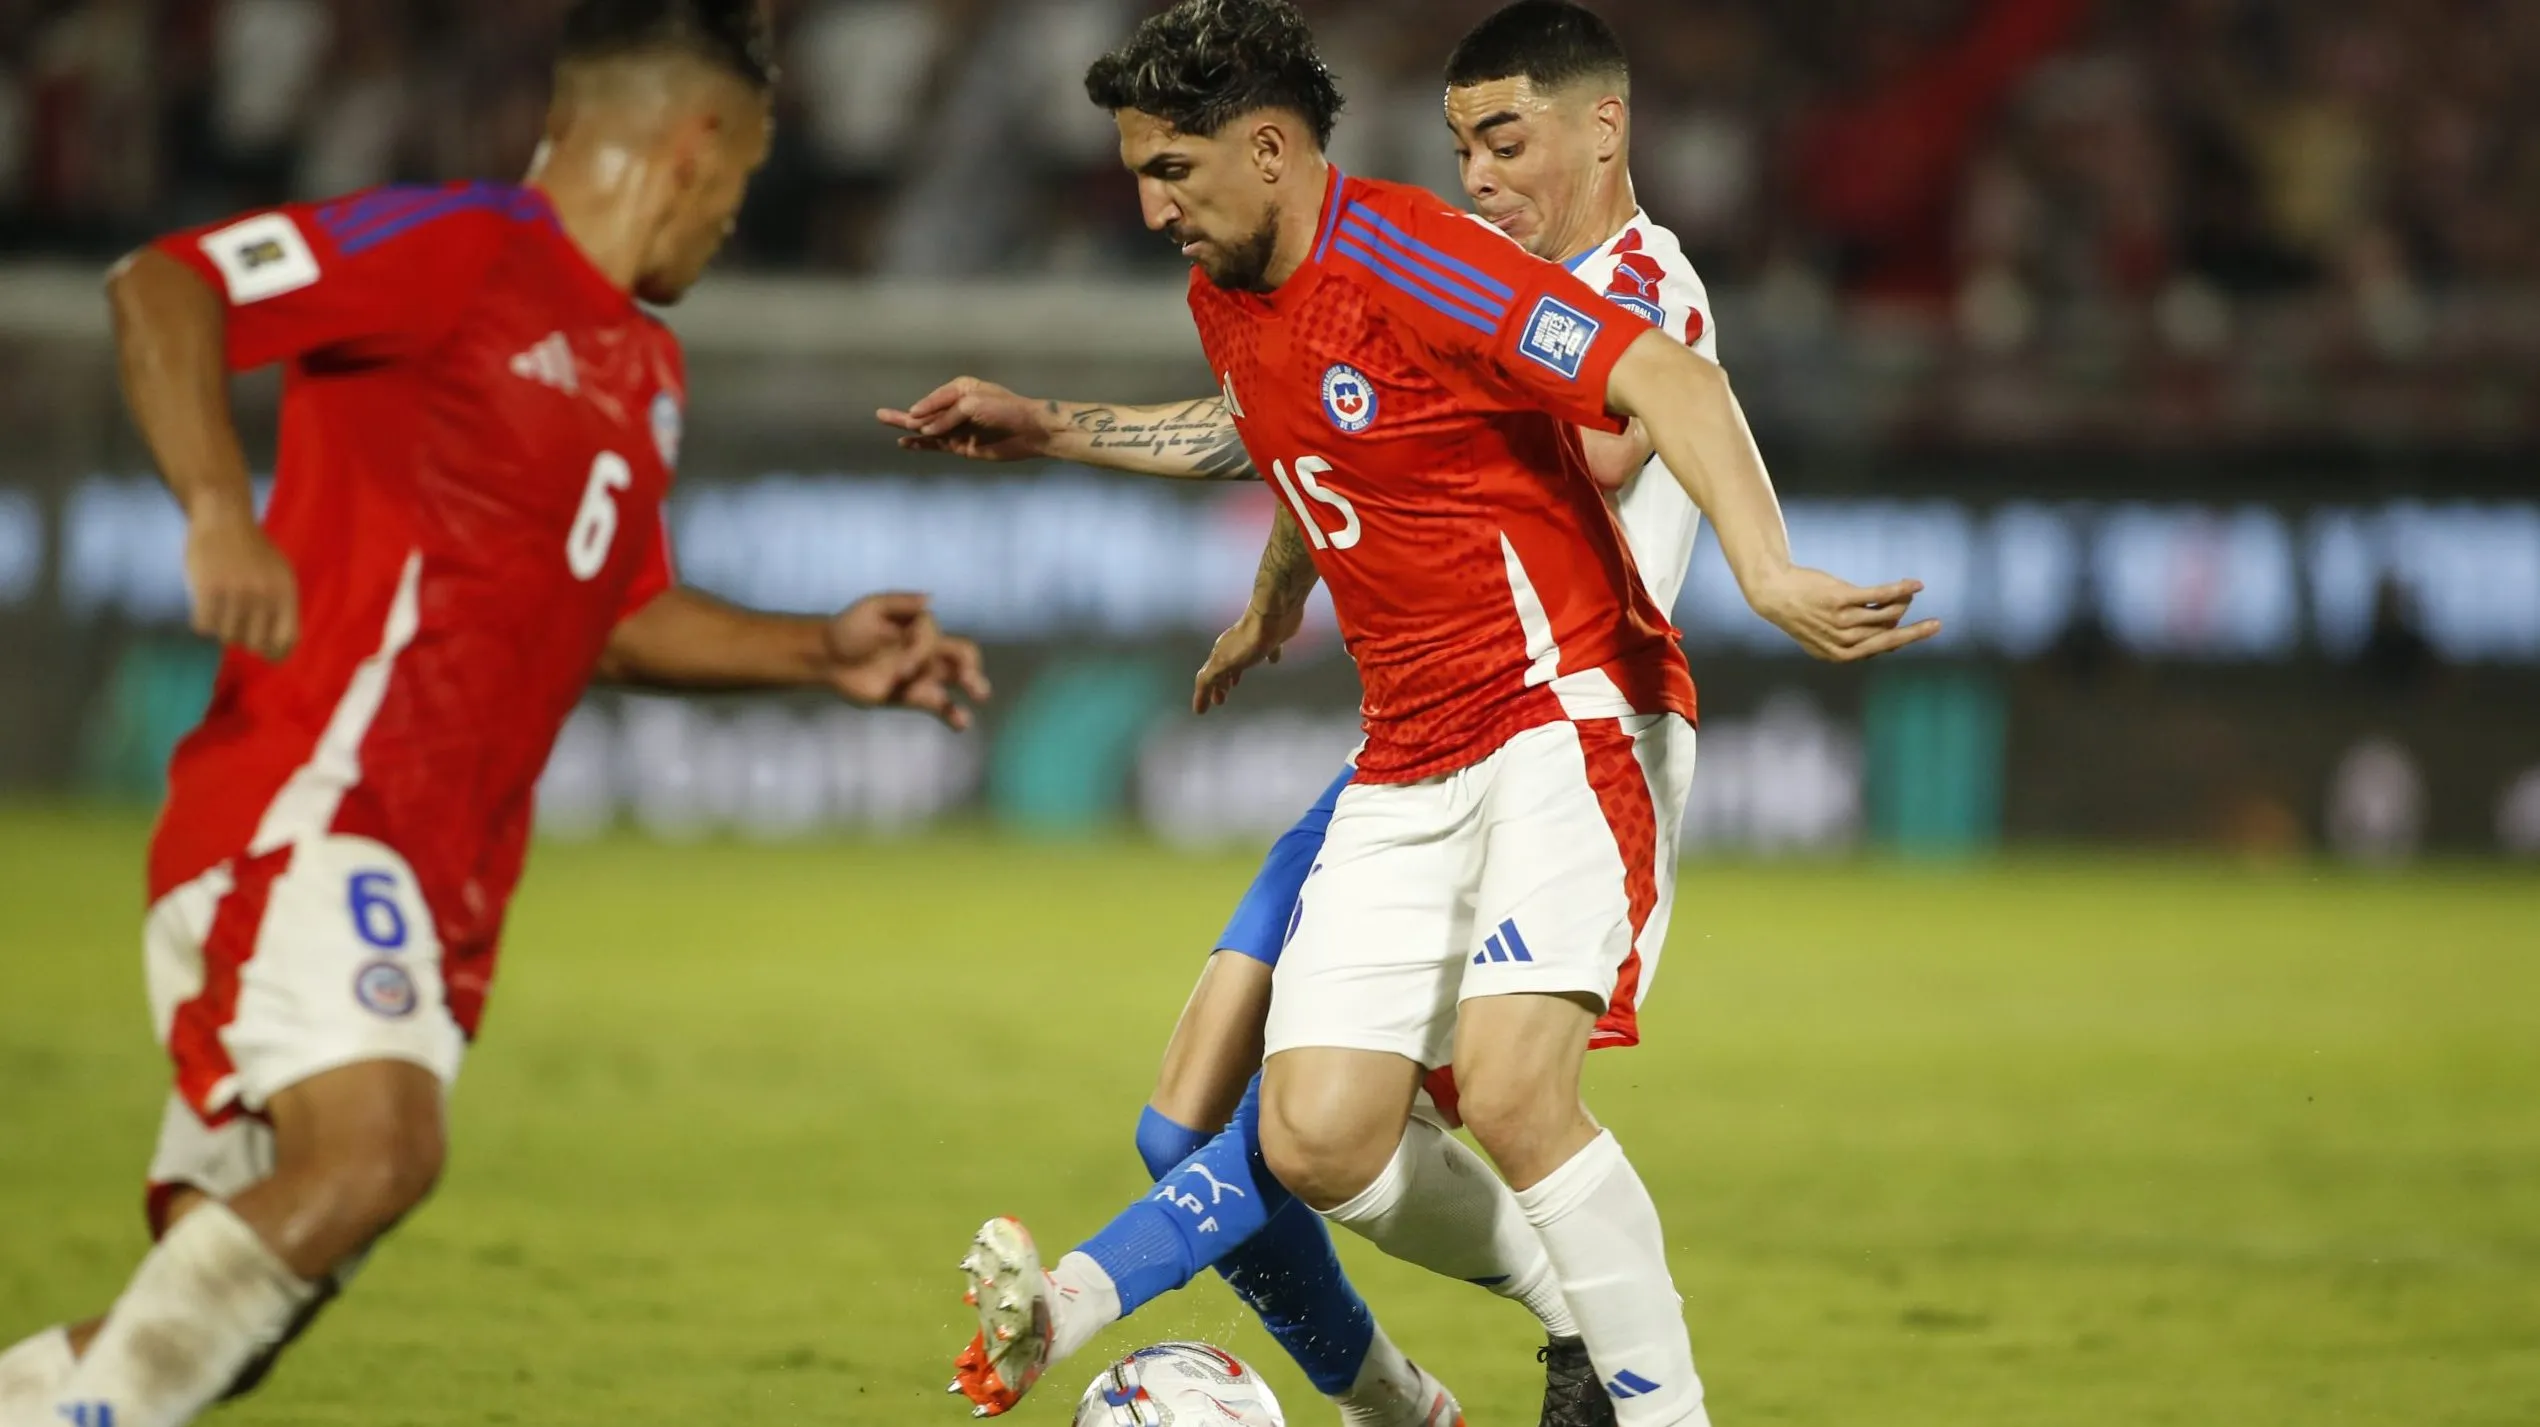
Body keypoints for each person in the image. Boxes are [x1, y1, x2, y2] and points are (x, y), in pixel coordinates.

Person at [886, 3, 1935, 1425]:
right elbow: (1309, 421)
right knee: (1309, 1135)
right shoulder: (1259, 286)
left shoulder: (1487, 267)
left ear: (1267, 149)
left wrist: (1767, 568)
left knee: (1505, 1090)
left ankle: (1643, 1401)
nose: (1147, 208)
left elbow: (1651, 389)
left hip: (1564, 706)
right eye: (1463, 145)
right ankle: (1540, 1329)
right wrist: (1095, 454)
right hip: (1409, 743)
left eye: (1169, 173)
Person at [0, 6, 988, 1426]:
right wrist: (222, 508)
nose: (728, 225)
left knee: (240, 1307)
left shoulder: (642, 371)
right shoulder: (460, 247)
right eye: (739, 185)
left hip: (441, 880)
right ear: (692, 148)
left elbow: (610, 614)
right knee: (378, 1154)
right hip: (312, 811)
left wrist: (813, 654)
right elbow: (165, 286)